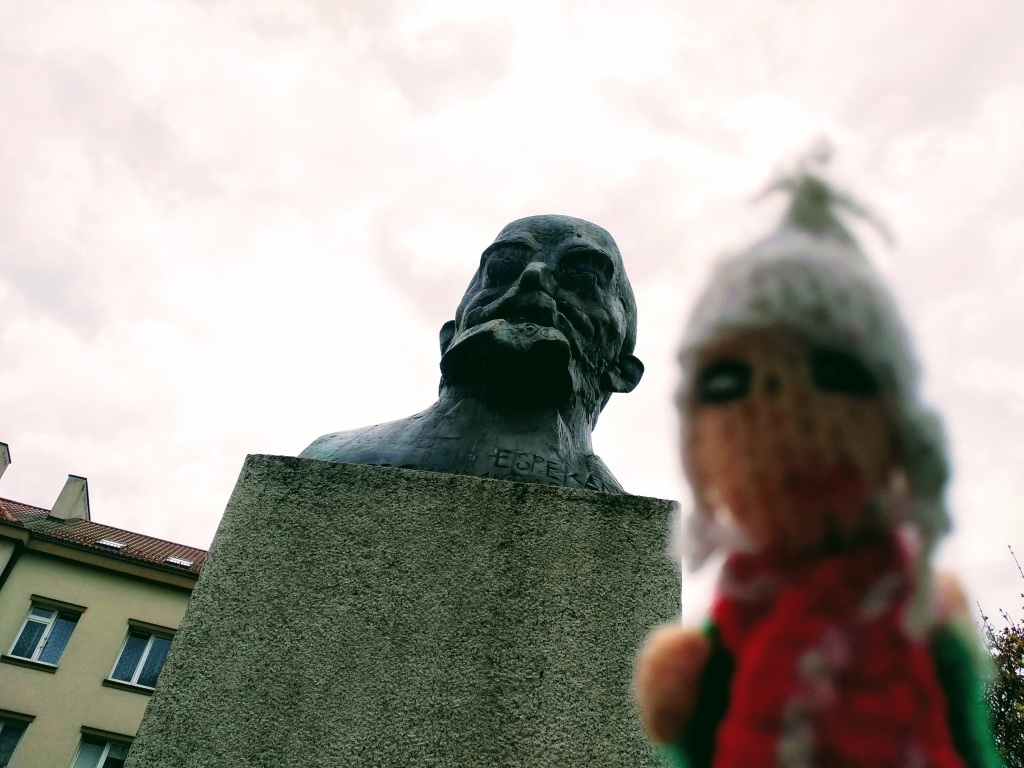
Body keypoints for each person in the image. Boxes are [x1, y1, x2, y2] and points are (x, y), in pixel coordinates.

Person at [300, 214, 644, 493]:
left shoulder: (624, 519)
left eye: (582, 273)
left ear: (621, 372)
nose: (532, 277)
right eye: (502, 265)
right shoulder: (331, 461)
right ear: (449, 337)